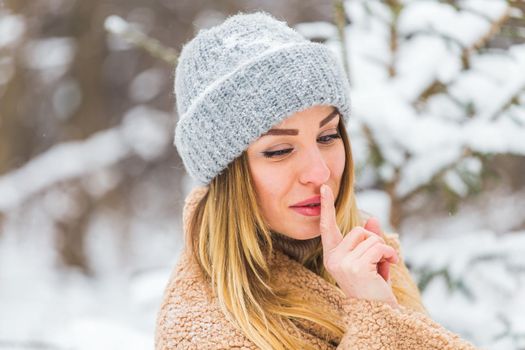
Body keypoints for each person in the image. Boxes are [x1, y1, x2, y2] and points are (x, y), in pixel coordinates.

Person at [155, 11, 477, 350]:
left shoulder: (363, 256)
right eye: (279, 150)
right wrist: (377, 317)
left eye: (327, 137)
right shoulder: (200, 332)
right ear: (227, 176)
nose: (320, 173)